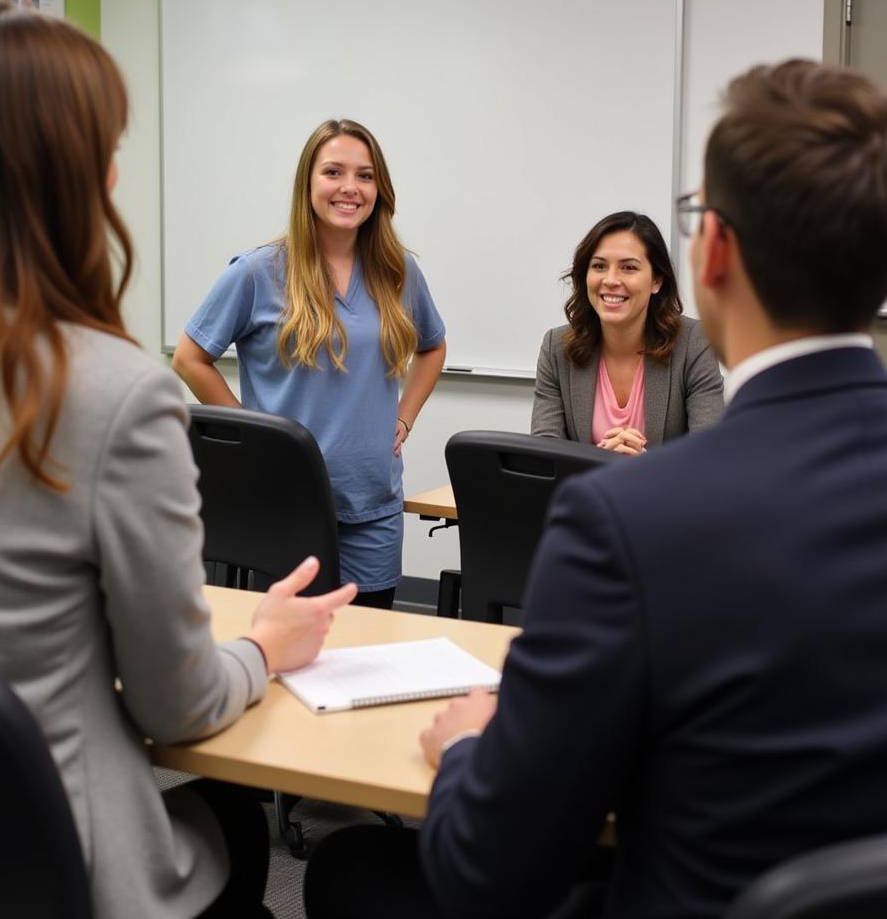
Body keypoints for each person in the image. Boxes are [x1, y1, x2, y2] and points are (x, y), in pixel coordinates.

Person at [304, 58, 887, 919]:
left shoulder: (625, 520)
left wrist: (469, 748)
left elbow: (494, 865)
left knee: (351, 870)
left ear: (710, 252)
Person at [0, 0, 358, 919]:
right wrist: (265, 646)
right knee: (237, 823)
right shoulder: (117, 395)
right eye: (107, 146)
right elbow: (181, 708)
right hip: (56, 869)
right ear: (70, 176)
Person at [172, 119, 446, 610]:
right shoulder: (258, 271)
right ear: (308, 183)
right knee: (295, 657)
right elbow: (191, 358)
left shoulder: (398, 271)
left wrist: (404, 417)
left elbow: (433, 346)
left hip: (373, 500)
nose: (350, 188)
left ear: (379, 188)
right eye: (333, 172)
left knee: (368, 649)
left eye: (365, 176)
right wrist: (254, 436)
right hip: (286, 501)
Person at [531, 211, 723, 454]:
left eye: (629, 268)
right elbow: (545, 458)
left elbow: (711, 455)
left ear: (657, 281)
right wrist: (600, 463)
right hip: (587, 492)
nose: (611, 280)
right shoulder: (556, 347)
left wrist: (645, 470)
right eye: (599, 266)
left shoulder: (694, 343)